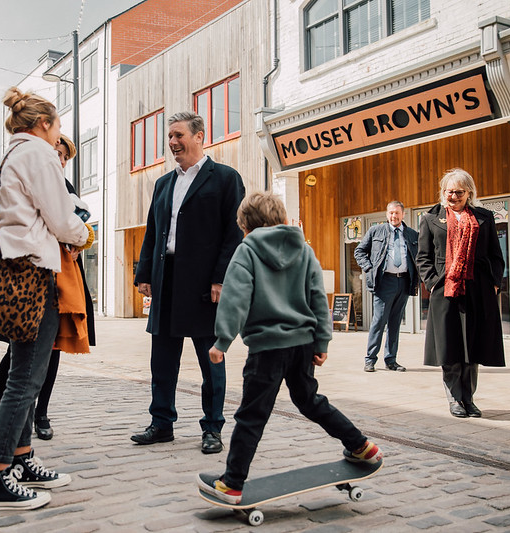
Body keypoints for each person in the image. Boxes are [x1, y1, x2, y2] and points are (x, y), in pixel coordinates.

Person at [196, 191, 383, 504]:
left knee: (252, 415)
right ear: (281, 219)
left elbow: (235, 299)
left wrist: (222, 341)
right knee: (309, 400)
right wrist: (322, 341)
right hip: (302, 345)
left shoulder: (246, 251)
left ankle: (232, 483)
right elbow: (318, 300)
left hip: (267, 349)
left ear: (245, 226)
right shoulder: (304, 249)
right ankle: (361, 446)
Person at [0, 88, 92, 511]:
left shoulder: (8, 157)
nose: (59, 132)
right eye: (58, 124)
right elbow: (62, 217)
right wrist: (85, 235)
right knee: (25, 380)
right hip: (35, 274)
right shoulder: (41, 154)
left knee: (25, 375)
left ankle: (22, 460)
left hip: (11, 270)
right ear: (44, 124)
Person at [132, 111, 245, 454]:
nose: (172, 142)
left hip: (204, 285)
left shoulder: (225, 178)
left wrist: (220, 278)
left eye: (179, 135)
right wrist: (144, 273)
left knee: (211, 359)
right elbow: (153, 231)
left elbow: (234, 232)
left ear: (199, 136)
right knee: (162, 359)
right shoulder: (163, 183)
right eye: (170, 136)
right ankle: (161, 423)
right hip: (166, 279)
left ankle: (212, 428)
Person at [0, 134, 95, 441]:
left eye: (65, 157)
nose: (61, 160)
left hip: (62, 275)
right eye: (57, 153)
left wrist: (78, 246)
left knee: (52, 351)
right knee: (18, 355)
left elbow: (76, 231)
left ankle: (40, 413)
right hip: (31, 275)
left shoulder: (68, 189)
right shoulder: (29, 176)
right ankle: (2, 411)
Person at [416, 168, 505, 418]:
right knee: (450, 346)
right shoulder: (430, 218)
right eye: (448, 191)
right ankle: (455, 398)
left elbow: (496, 257)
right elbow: (423, 257)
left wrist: (494, 283)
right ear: (442, 192)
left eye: (458, 192)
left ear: (469, 193)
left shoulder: (484, 217)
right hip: (445, 290)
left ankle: (469, 398)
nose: (453, 196)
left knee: (472, 347)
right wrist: (432, 282)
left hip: (477, 289)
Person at [353, 201, 419, 372]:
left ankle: (391, 360)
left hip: (404, 281)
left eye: (397, 213)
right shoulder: (376, 231)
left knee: (395, 323)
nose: (393, 216)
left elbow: (419, 257)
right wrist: (369, 267)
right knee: (379, 321)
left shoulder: (412, 234)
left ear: (403, 214)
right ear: (386, 214)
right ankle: (370, 359)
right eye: (390, 213)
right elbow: (359, 251)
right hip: (385, 282)